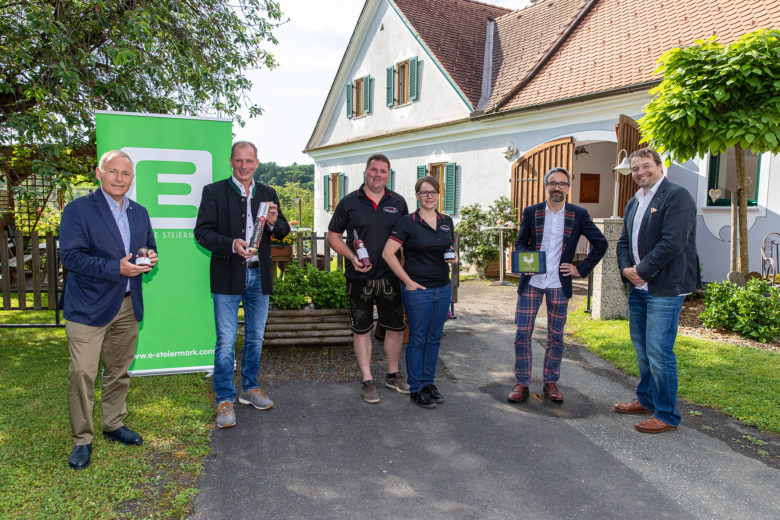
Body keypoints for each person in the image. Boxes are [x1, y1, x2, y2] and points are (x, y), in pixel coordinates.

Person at [60, 150, 158, 470]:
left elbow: (148, 246)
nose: (119, 178)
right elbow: (71, 258)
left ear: (132, 178)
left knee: (118, 370)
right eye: (113, 172)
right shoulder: (78, 210)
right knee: (82, 373)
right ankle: (82, 440)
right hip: (88, 307)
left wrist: (148, 259)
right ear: (99, 174)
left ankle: (114, 423)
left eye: (125, 173)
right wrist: (116, 268)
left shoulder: (139, 212)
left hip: (128, 304)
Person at [194, 141, 290, 429]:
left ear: (257, 162)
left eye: (249, 161)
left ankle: (250, 387)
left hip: (258, 275)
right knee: (225, 340)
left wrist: (274, 222)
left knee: (256, 336)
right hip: (227, 274)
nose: (244, 166)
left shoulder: (268, 193)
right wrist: (230, 244)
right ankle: (225, 398)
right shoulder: (214, 192)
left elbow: (283, 232)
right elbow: (201, 233)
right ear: (231, 161)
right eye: (239, 161)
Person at [615, 148, 699, 433]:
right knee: (642, 350)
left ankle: (666, 414)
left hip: (664, 287)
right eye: (635, 168)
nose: (640, 172)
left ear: (660, 166)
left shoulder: (677, 196)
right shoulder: (633, 202)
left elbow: (673, 242)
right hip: (638, 289)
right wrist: (627, 270)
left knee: (659, 351)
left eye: (645, 166)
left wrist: (641, 271)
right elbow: (623, 241)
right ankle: (647, 399)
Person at [508, 167, 607, 404]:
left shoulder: (578, 214)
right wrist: (525, 261)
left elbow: (600, 243)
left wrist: (580, 269)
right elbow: (521, 242)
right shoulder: (532, 212)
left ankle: (551, 381)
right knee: (522, 333)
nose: (557, 188)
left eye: (562, 184)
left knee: (556, 336)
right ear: (546, 185)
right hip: (533, 281)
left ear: (568, 188)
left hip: (559, 284)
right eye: (553, 183)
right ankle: (522, 382)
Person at [327, 154, 410, 403]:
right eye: (373, 170)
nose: (378, 175)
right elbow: (333, 236)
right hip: (359, 277)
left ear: (389, 174)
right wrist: (352, 257)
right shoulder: (349, 202)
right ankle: (367, 379)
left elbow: (406, 238)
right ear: (365, 172)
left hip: (390, 278)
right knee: (362, 330)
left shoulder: (399, 202)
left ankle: (393, 374)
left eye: (383, 171)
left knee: (395, 328)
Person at [382, 176, 457, 408]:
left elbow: (447, 247)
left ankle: (428, 383)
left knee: (433, 340)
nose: (429, 196)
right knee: (417, 339)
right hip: (418, 291)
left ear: (438, 194)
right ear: (417, 196)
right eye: (424, 192)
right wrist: (408, 282)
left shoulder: (446, 221)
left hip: (442, 289)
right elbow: (388, 253)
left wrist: (452, 256)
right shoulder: (408, 222)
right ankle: (416, 389)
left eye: (433, 192)